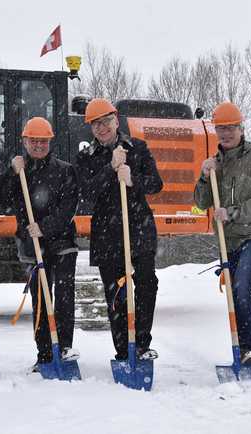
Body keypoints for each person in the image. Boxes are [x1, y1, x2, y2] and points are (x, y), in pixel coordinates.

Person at [75, 98, 163, 362]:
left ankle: (142, 345)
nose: (101, 128)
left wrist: (132, 179)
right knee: (115, 292)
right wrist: (109, 169)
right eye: (95, 124)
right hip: (106, 234)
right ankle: (124, 349)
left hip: (139, 228)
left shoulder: (137, 148)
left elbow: (156, 184)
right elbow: (86, 193)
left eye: (105, 122)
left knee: (147, 284)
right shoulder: (87, 156)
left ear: (116, 120)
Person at [194, 101, 251, 371]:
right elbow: (200, 201)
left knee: (242, 289)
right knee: (235, 296)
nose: (226, 134)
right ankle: (250, 352)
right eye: (221, 129)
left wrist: (233, 213)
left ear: (241, 128)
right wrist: (205, 177)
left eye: (231, 128)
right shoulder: (214, 163)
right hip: (228, 240)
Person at [0, 117, 80, 372]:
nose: (38, 146)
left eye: (43, 141)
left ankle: (64, 347)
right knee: (41, 300)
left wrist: (45, 227)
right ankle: (44, 352)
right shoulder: (20, 171)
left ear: (50, 142)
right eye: (33, 141)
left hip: (62, 243)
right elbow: (2, 200)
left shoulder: (65, 170)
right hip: (33, 246)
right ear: (24, 141)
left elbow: (68, 208)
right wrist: (12, 172)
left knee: (64, 296)